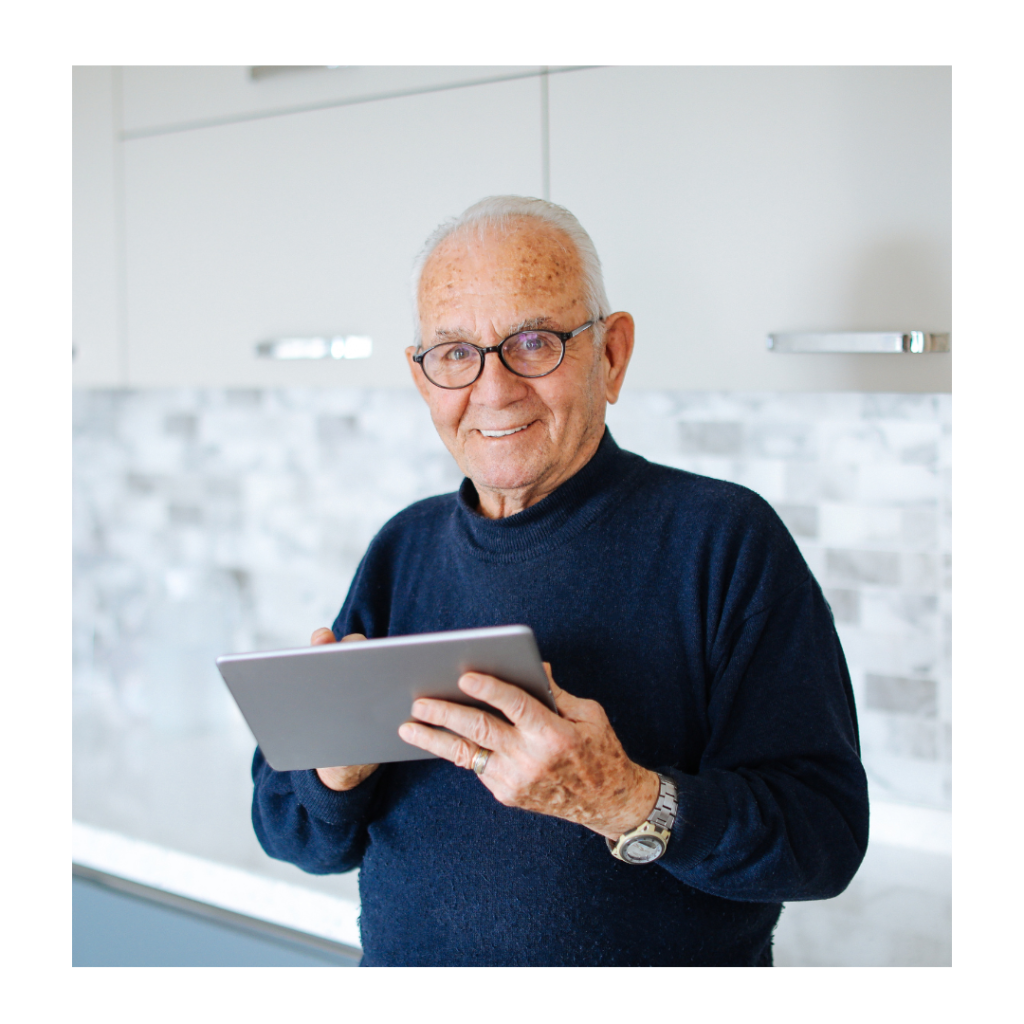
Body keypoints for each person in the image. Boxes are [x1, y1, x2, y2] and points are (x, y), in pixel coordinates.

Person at [251, 196, 869, 967]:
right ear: (421, 378)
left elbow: (826, 839)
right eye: (453, 353)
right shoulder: (402, 549)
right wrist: (330, 769)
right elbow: (293, 833)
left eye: (534, 342)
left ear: (611, 354)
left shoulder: (725, 542)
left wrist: (625, 800)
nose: (494, 389)